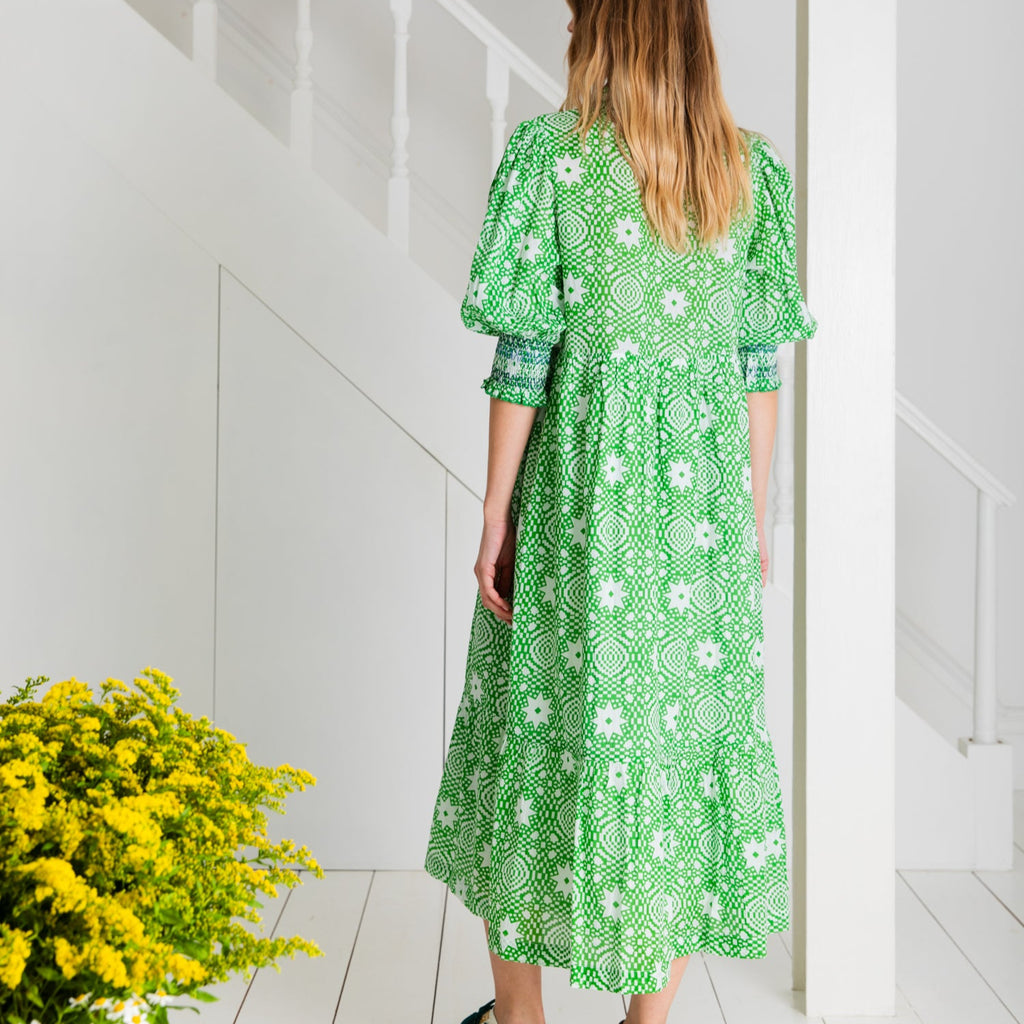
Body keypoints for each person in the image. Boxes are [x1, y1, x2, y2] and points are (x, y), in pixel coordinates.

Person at [424, 0, 819, 1021]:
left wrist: (492, 516)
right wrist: (752, 520)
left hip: (572, 510)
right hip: (701, 524)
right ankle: (649, 1020)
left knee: (522, 738)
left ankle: (519, 1017)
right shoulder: (748, 173)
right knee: (679, 753)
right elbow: (755, 369)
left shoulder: (549, 161)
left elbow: (523, 361)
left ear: (595, 32)